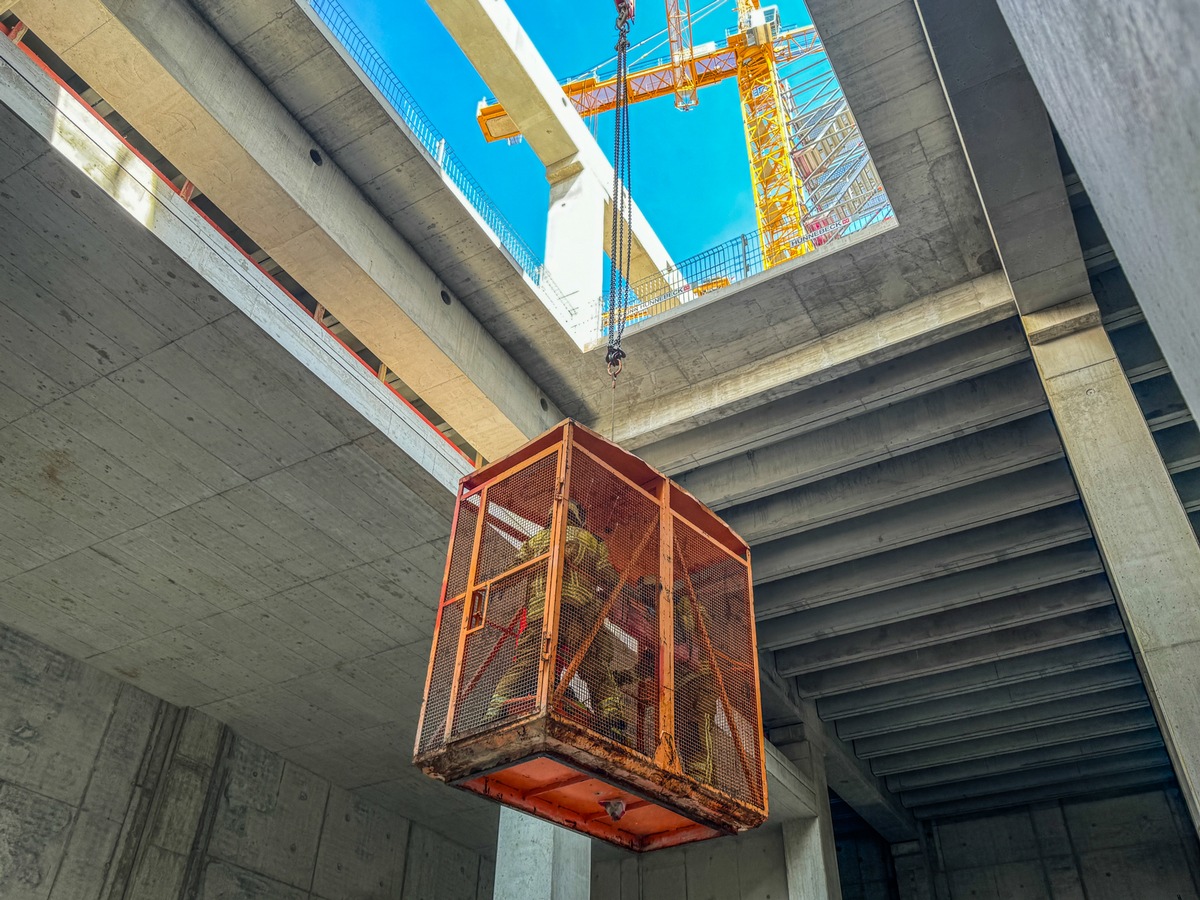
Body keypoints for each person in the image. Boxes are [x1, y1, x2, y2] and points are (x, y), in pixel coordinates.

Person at [487, 499, 625, 736]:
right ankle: (611, 718)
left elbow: (516, 569)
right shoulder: (592, 542)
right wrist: (622, 589)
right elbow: (607, 575)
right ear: (579, 518)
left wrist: (496, 587)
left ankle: (495, 708)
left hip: (542, 613)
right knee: (594, 666)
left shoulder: (536, 541)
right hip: (581, 613)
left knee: (529, 661)